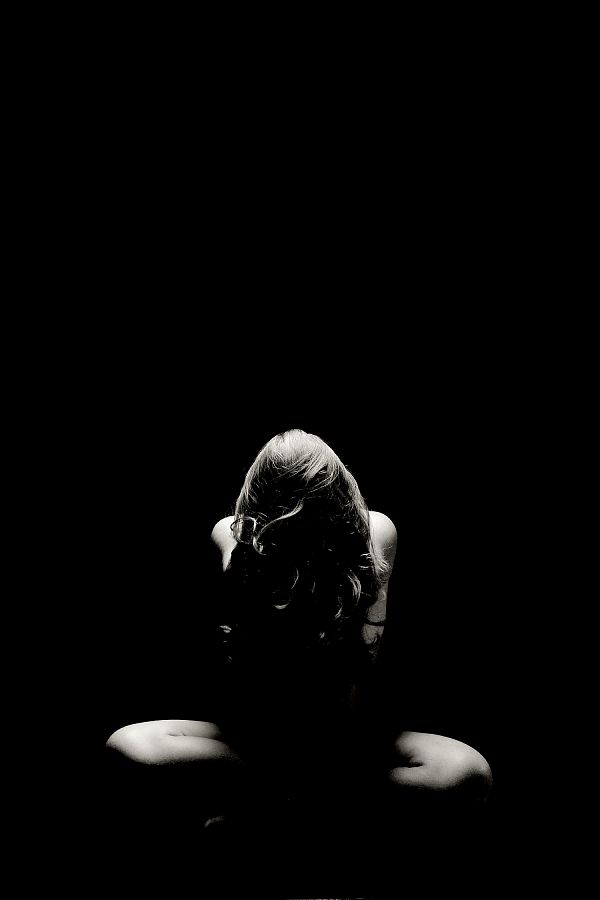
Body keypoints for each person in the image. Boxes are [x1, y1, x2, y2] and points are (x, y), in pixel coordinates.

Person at [105, 429, 492, 885]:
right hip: (262, 741)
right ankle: (316, 810)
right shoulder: (236, 539)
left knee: (466, 771)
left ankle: (274, 811)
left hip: (343, 741)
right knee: (128, 746)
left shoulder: (372, 533)